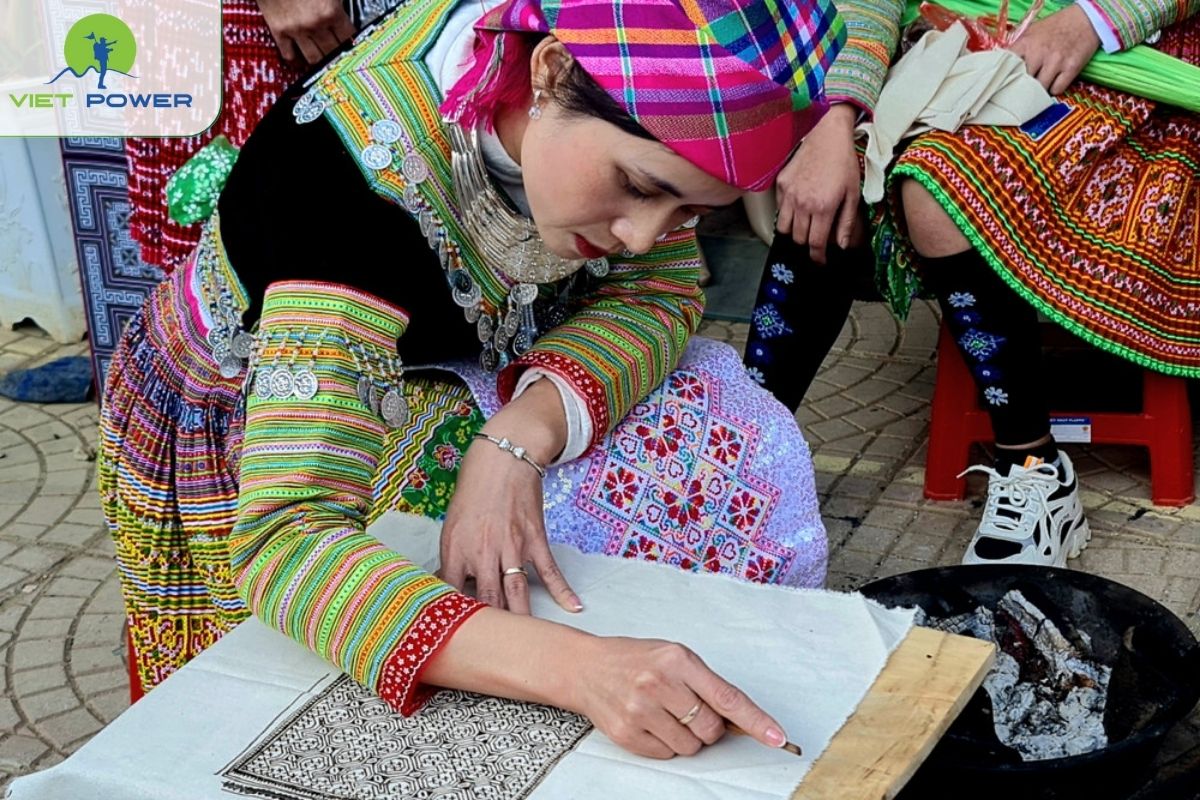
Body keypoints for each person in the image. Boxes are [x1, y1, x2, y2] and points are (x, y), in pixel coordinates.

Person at [100, 0, 844, 759]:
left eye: (691, 210)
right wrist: (584, 670)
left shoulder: (588, 89)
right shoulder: (348, 181)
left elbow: (659, 289)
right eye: (638, 186)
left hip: (450, 362)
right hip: (253, 407)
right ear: (550, 69)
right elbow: (288, 538)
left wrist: (518, 438)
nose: (643, 235)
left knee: (712, 422)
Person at [745, 0, 1200, 567]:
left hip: (1130, 72)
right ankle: (745, 453)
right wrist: (834, 119)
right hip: (965, 56)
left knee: (938, 190)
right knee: (826, 186)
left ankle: (1034, 471)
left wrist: (1092, 19)